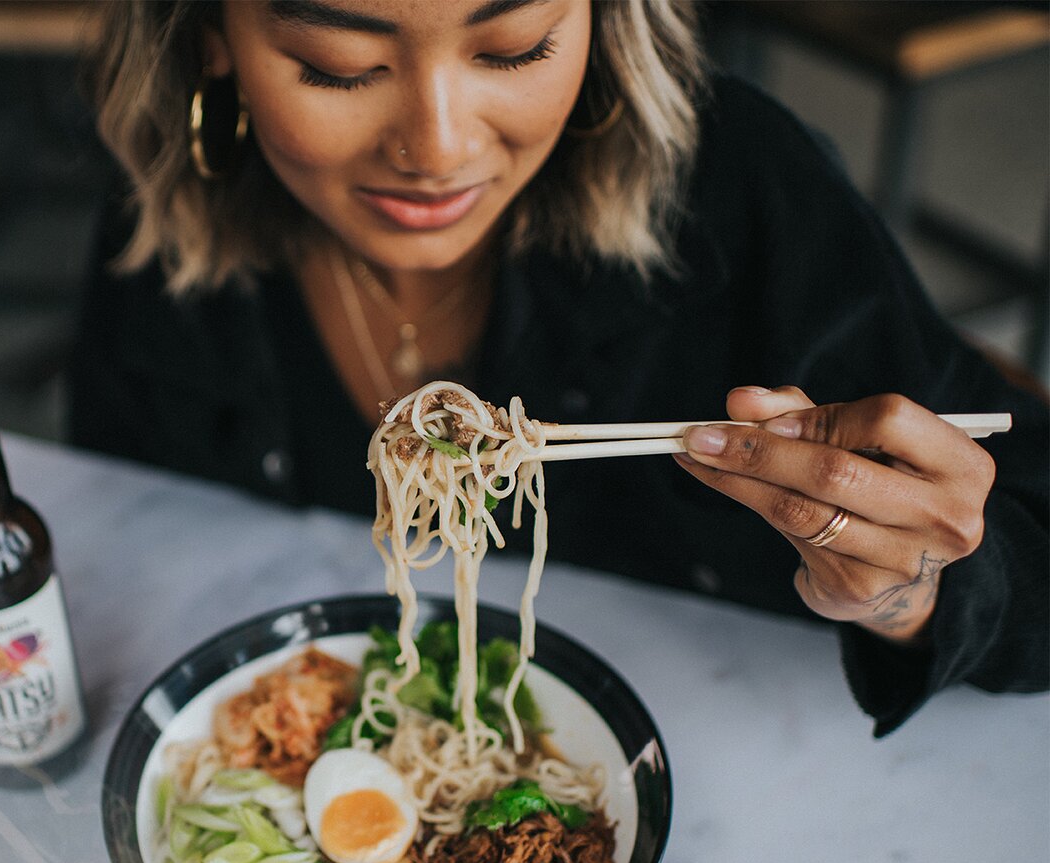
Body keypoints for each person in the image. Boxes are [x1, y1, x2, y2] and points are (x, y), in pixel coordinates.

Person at [71, 0, 1049, 736]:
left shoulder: (740, 195)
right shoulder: (171, 221)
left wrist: (905, 593)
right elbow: (125, 536)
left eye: (513, 49)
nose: (438, 149)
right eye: (336, 67)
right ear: (211, 38)